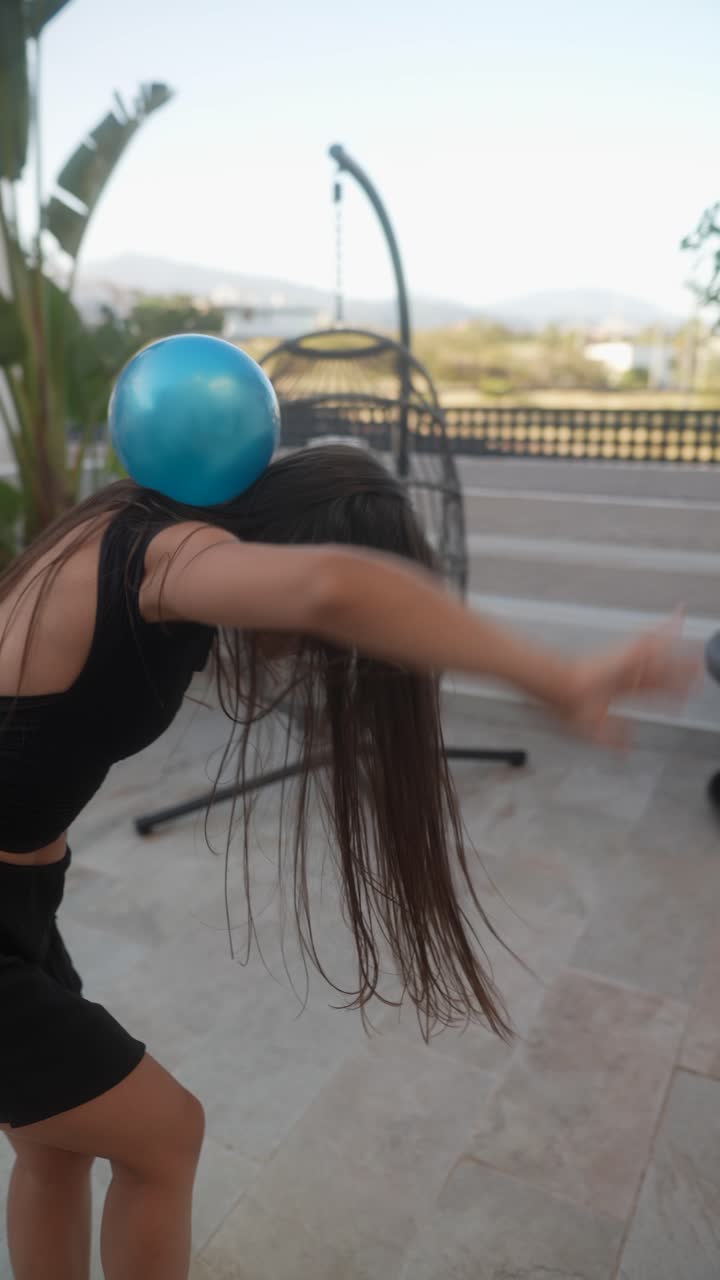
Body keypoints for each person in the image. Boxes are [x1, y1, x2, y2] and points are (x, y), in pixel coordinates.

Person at [0, 443, 696, 1280]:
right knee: (165, 1134)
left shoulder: (125, 529)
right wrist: (557, 678)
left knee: (55, 1143)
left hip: (24, 897)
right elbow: (337, 586)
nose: (318, 647)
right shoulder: (169, 551)